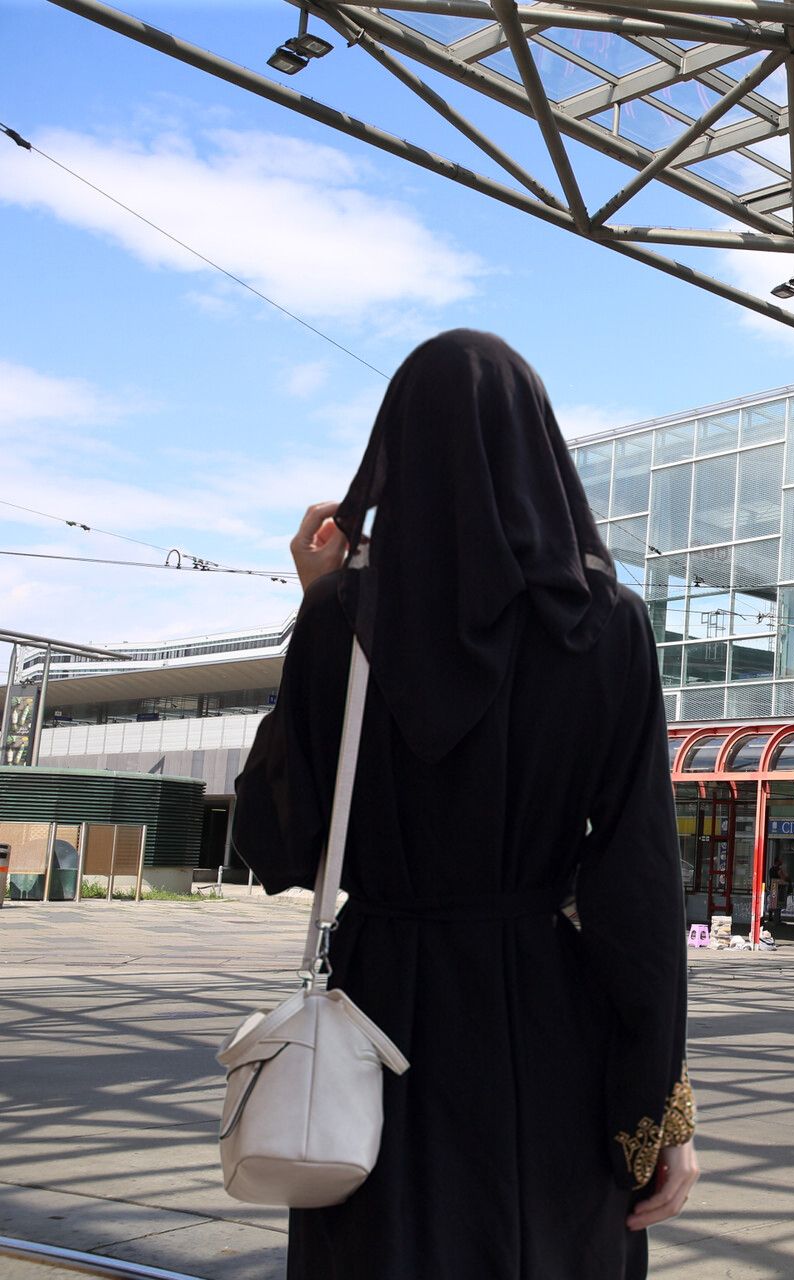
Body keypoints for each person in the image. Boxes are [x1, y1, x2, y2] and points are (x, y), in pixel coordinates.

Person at [232, 331, 696, 1278]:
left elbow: (275, 846)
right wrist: (657, 1115)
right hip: (547, 1029)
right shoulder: (603, 628)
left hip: (372, 1025)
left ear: (392, 454)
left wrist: (316, 617)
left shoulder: (340, 625)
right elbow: (638, 884)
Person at [765, 860, 786, 927]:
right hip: (778, 886)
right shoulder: (778, 870)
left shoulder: (771, 869)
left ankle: (770, 917)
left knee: (772, 902)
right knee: (777, 903)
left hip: (773, 886)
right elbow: (783, 877)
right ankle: (777, 918)